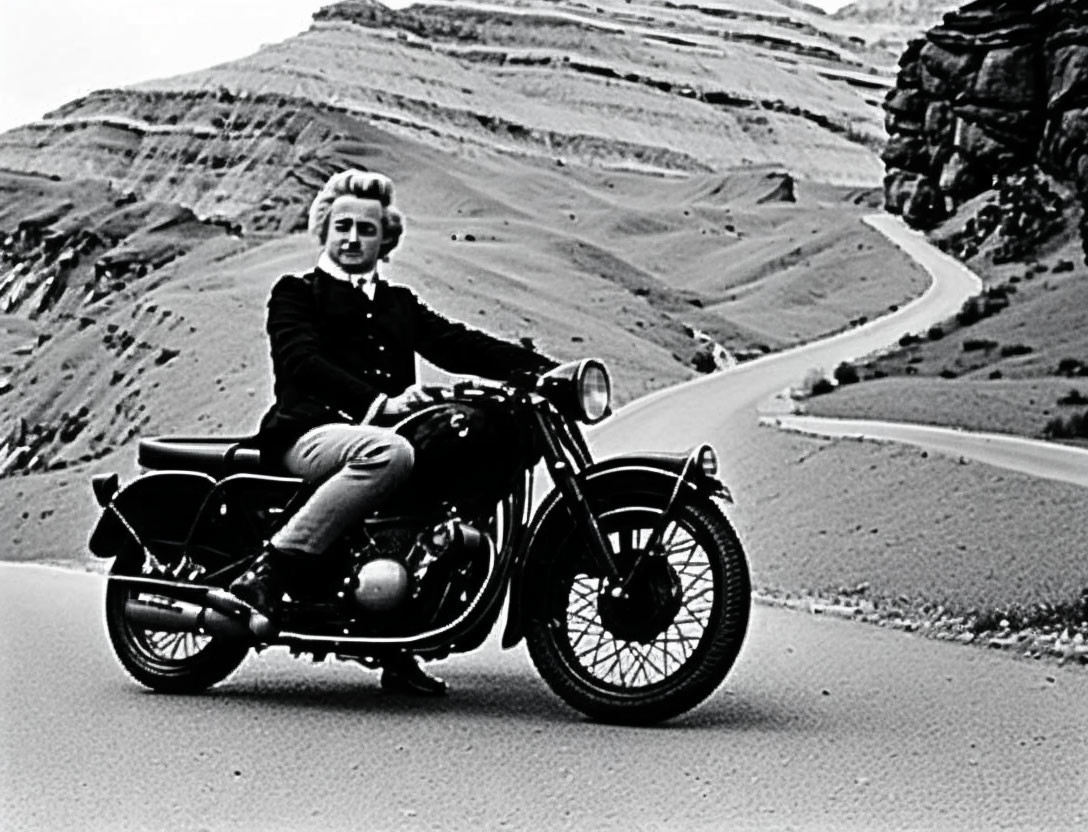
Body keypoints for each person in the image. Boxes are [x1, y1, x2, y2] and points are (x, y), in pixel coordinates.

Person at [228, 169, 557, 694]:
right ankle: (273, 567)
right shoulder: (296, 293)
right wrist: (379, 402)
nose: (353, 238)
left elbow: (456, 343)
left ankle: (400, 641)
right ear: (324, 232)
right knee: (391, 453)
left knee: (433, 486)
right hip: (309, 435)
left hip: (384, 436)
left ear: (386, 241)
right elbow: (302, 361)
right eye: (342, 226)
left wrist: (545, 370)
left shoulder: (397, 303)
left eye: (366, 229)